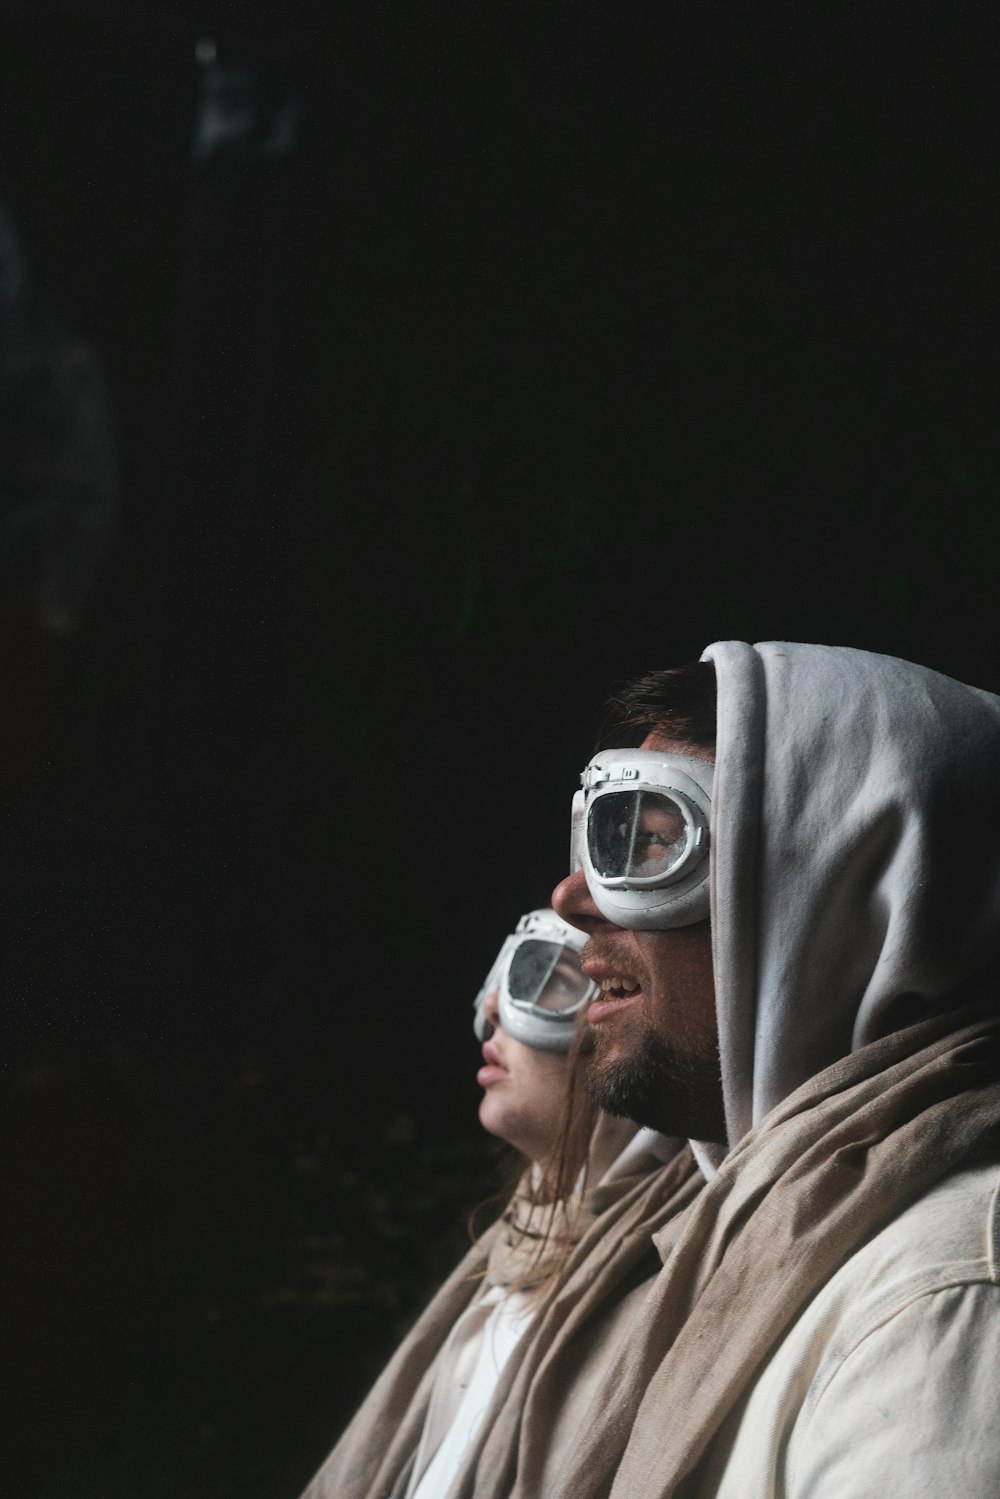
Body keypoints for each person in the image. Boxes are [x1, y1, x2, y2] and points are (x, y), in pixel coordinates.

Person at [533, 641, 1000, 1499]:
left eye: (655, 844)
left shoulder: (943, 1298)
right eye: (607, 838)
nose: (573, 899)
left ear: (846, 893)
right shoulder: (729, 1237)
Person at [298, 908, 699, 1499]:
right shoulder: (507, 1260)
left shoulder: (675, 1266)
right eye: (504, 977)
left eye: (550, 979)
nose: (491, 1010)